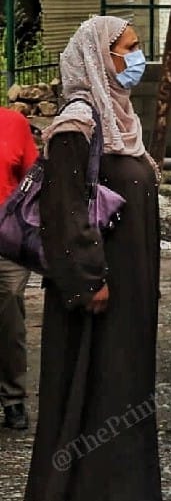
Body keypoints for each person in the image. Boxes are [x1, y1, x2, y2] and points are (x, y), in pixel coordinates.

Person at [25, 16, 162, 500]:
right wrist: (87, 280)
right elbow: (62, 207)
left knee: (123, 393)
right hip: (95, 295)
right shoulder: (78, 122)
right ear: (98, 55)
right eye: (128, 47)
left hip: (129, 294)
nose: (136, 57)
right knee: (90, 392)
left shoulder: (124, 121)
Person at [0, 106, 38, 431]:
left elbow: (33, 179)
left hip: (7, 237)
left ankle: (13, 398)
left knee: (11, 308)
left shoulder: (13, 123)